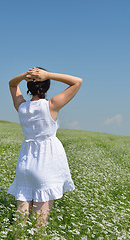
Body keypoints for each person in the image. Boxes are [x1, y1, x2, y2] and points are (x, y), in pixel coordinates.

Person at [7, 67, 82, 227]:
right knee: (39, 223)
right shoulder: (52, 105)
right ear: (46, 86)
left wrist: (23, 75)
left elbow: (12, 85)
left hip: (25, 162)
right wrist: (48, 75)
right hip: (46, 162)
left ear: (28, 86)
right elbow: (77, 82)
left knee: (21, 217)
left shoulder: (22, 107)